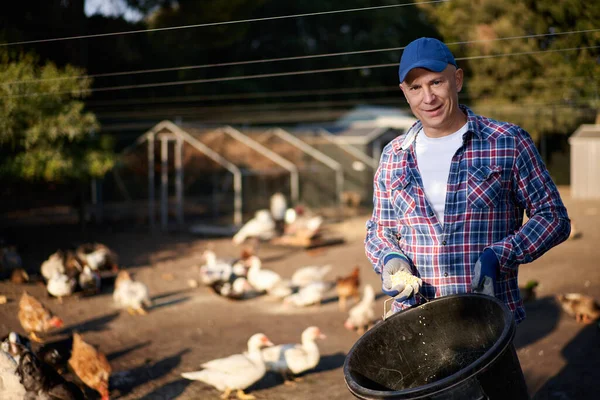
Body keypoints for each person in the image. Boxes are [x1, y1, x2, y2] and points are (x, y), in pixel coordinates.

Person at [364, 37, 571, 323]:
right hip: (416, 326)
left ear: (457, 80)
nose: (428, 97)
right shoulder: (393, 156)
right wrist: (389, 257)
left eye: (436, 82)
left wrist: (498, 256)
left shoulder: (507, 142)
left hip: (488, 321)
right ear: (405, 92)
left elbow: (553, 218)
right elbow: (380, 229)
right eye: (415, 88)